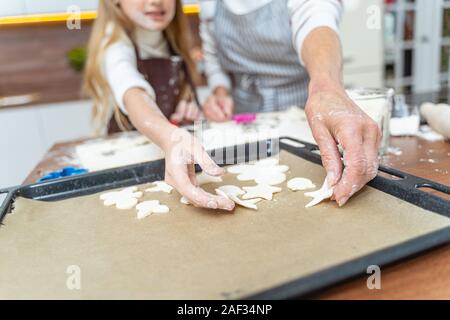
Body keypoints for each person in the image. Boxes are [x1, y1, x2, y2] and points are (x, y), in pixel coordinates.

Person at [200, 0, 382, 206]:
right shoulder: (209, 3)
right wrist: (220, 89)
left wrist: (326, 87)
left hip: (302, 106)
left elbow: (316, 17)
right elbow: (213, 53)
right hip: (245, 112)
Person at [83, 0, 235, 211]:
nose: (156, 1)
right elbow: (133, 92)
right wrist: (168, 135)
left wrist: (187, 109)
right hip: (129, 164)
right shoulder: (114, 43)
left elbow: (176, 95)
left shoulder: (172, 38)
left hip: (169, 159)